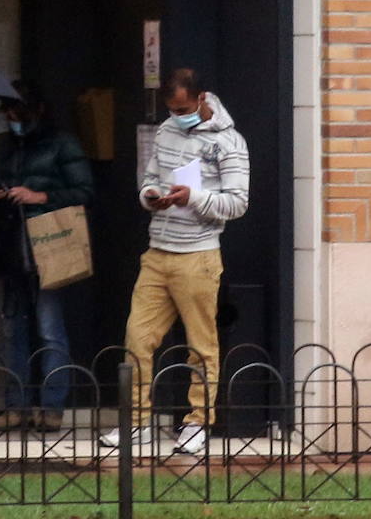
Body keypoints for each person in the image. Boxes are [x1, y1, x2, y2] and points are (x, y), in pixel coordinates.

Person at [100, 69, 249, 456]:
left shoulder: (229, 142)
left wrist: (193, 198)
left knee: (201, 344)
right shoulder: (166, 131)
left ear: (202, 97)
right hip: (158, 250)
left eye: (182, 108)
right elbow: (149, 177)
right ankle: (136, 424)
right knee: (137, 339)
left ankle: (198, 423)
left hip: (198, 255)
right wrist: (151, 195)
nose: (176, 114)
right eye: (171, 108)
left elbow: (238, 202)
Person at [0, 81, 94, 432]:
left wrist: (40, 196)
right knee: (12, 329)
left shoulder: (62, 144)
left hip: (48, 243)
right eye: (8, 114)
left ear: (36, 112)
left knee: (49, 329)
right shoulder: (1, 145)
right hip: (9, 243)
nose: (12, 120)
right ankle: (16, 406)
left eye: (17, 114)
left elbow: (84, 192)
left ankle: (51, 407)